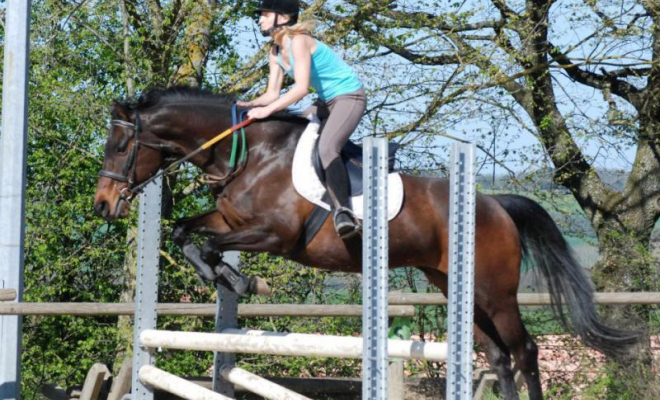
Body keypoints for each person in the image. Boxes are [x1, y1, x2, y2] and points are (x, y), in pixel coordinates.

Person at [238, 0, 366, 240]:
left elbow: (300, 89)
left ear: (283, 18)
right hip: (326, 102)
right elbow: (272, 94)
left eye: (265, 15)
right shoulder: (274, 51)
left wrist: (266, 111)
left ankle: (344, 212)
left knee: (327, 148)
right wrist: (247, 105)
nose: (259, 20)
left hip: (349, 98)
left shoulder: (299, 42)